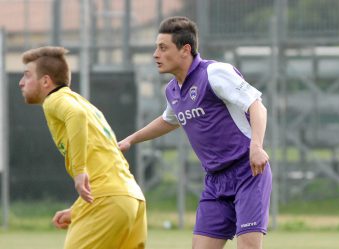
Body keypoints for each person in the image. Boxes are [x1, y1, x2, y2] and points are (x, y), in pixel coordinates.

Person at [119, 16, 272, 249]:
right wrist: (131, 139)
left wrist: (257, 146)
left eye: (163, 48)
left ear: (185, 50)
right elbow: (169, 120)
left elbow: (257, 105)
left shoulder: (214, 73)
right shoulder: (173, 90)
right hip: (215, 181)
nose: (155, 54)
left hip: (247, 172)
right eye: (156, 48)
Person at [19, 46, 147, 249]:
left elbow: (75, 116)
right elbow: (104, 166)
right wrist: (77, 210)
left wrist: (79, 172)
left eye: (27, 75)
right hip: (131, 198)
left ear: (45, 81)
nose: (21, 82)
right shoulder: (86, 105)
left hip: (109, 200)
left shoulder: (55, 100)